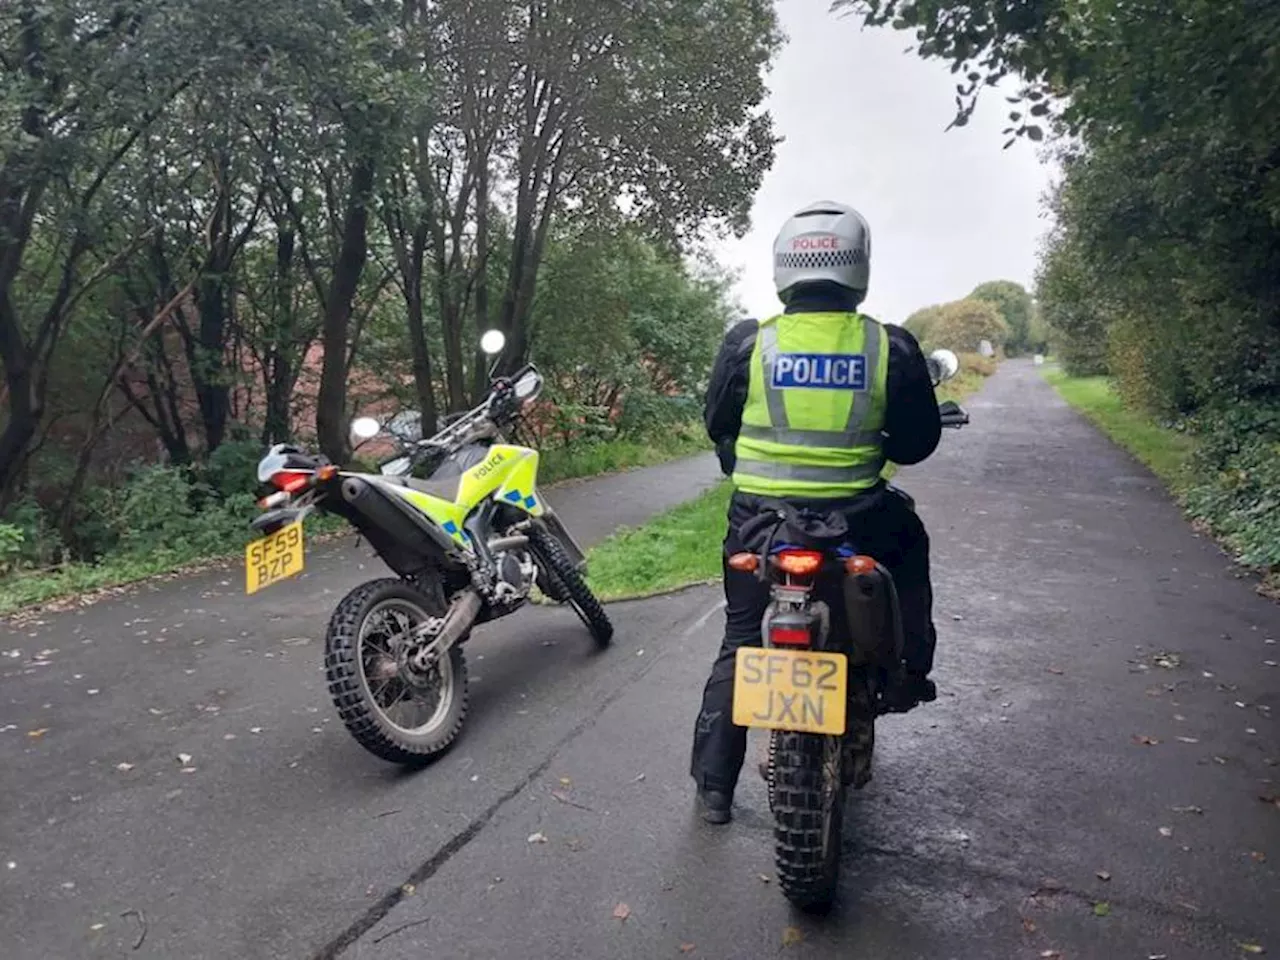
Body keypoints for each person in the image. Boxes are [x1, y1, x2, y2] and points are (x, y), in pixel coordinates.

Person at [691, 200, 943, 825]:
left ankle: (715, 787)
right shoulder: (888, 346)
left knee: (743, 636)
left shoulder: (752, 342)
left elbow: (716, 425)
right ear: (857, 267)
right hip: (859, 518)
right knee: (910, 547)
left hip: (761, 523)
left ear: (785, 268)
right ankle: (910, 672)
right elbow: (917, 443)